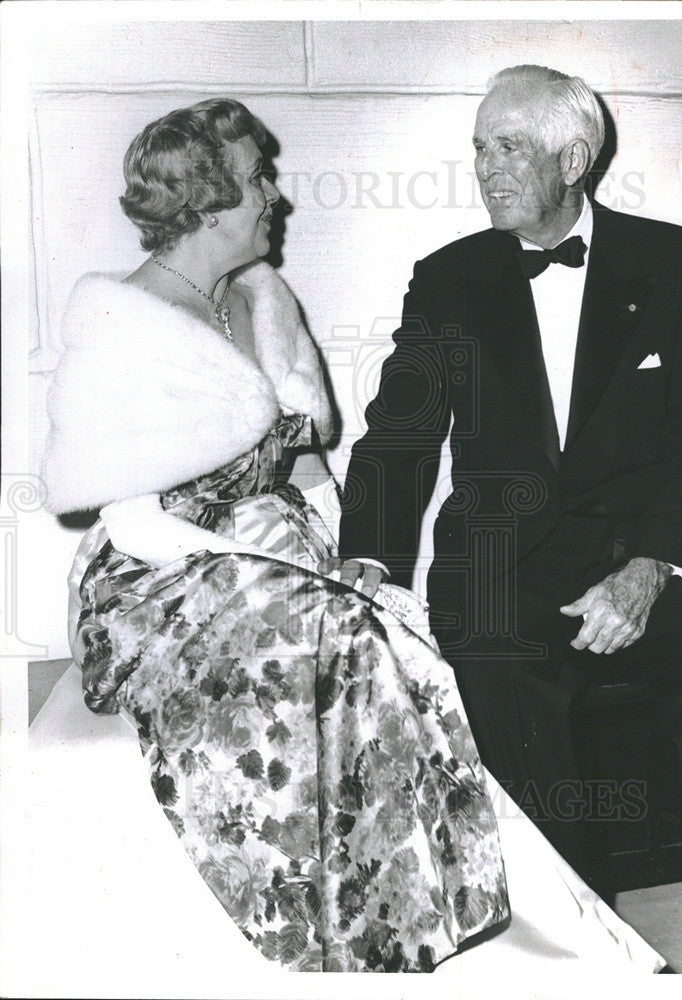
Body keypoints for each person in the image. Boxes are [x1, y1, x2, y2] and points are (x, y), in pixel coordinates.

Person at [43, 98, 513, 973]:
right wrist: (274, 577)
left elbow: (302, 467)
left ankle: (395, 914)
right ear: (210, 203)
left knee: (385, 622)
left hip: (266, 552)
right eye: (260, 177)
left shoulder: (261, 298)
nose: (276, 196)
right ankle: (312, 931)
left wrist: (345, 561)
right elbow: (130, 517)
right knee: (327, 632)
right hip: (158, 575)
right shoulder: (119, 321)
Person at [339, 65, 682, 973]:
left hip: (647, 563)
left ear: (573, 158)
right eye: (477, 149)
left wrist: (650, 569)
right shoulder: (450, 280)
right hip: (503, 569)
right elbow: (399, 437)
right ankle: (582, 963)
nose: (485, 168)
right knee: (508, 703)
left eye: (508, 147)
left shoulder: (678, 264)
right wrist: (368, 564)